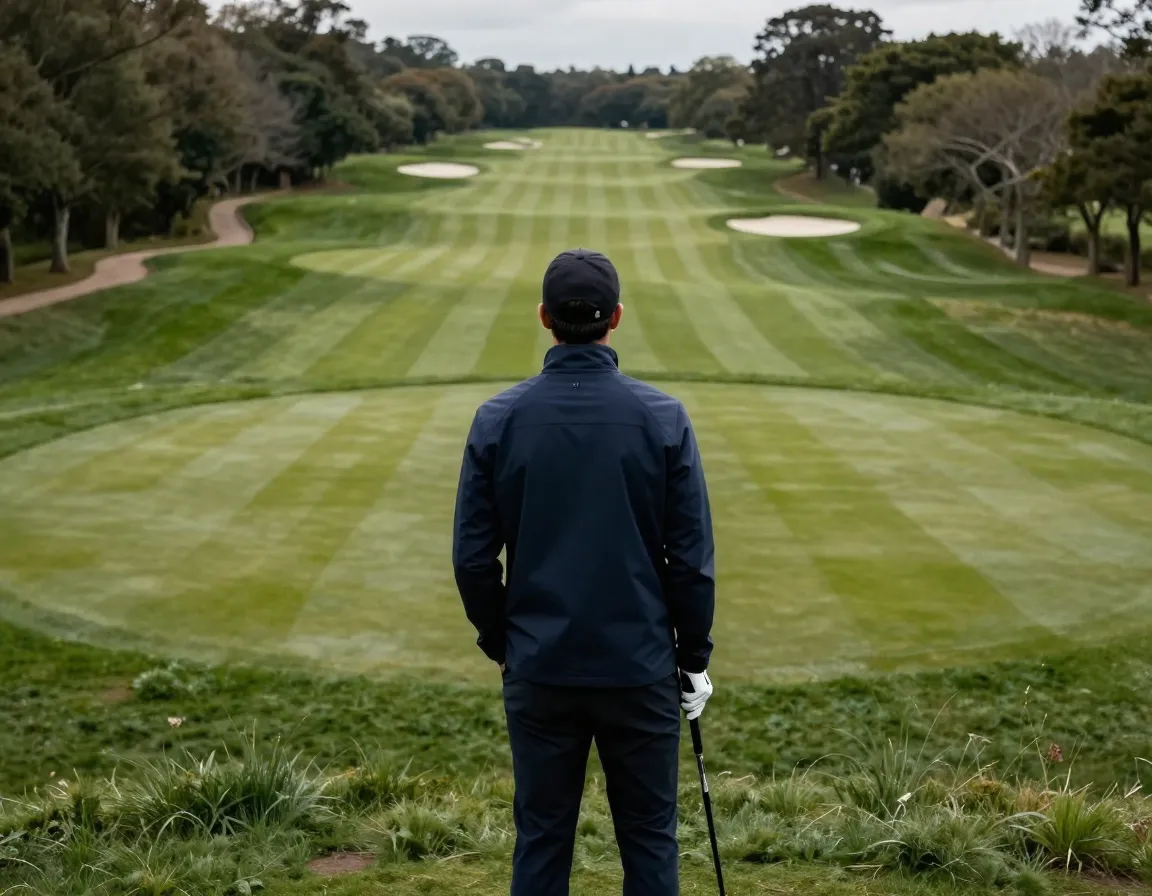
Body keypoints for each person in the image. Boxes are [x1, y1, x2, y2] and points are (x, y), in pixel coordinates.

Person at [452, 249, 716, 896]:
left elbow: (473, 559)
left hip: (540, 666)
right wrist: (693, 658)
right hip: (640, 668)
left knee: (542, 839)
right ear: (615, 318)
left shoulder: (498, 419)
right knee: (650, 839)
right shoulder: (663, 417)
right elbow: (690, 560)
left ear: (544, 318)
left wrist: (502, 642)